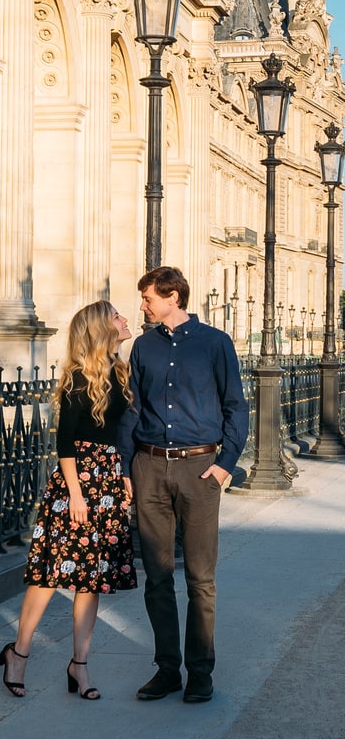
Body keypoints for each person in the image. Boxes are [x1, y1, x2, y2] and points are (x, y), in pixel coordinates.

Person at [118, 267, 249, 704]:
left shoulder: (215, 343)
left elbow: (236, 406)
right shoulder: (143, 347)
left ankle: (200, 672)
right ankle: (167, 670)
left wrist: (225, 465)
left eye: (148, 298)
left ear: (172, 297)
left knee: (199, 579)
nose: (142, 306)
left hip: (200, 470)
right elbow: (132, 411)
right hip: (150, 469)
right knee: (156, 577)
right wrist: (125, 470)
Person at [0, 300, 138, 700]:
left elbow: (120, 433)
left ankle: (80, 666)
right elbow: (66, 443)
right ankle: (18, 654)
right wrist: (76, 494)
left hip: (107, 479)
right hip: (77, 484)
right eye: (116, 316)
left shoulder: (120, 372)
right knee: (49, 573)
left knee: (90, 579)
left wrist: (122, 473)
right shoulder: (79, 378)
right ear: (99, 328)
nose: (125, 320)